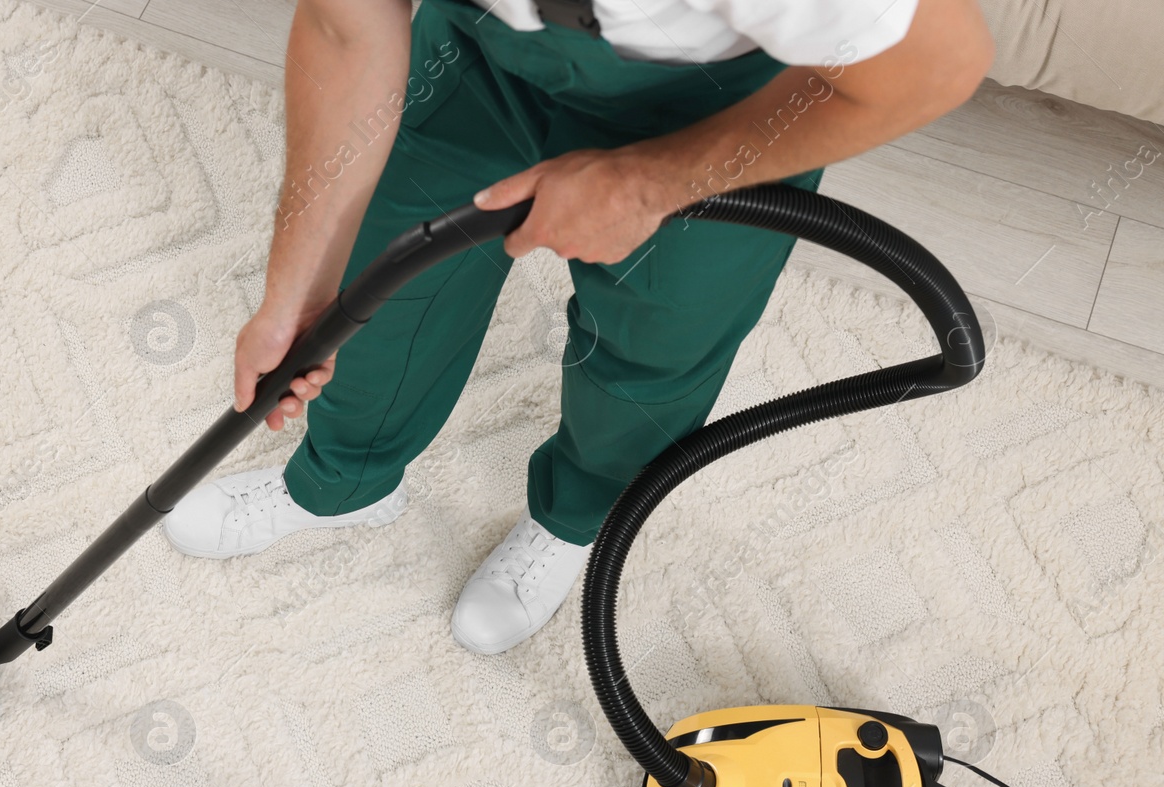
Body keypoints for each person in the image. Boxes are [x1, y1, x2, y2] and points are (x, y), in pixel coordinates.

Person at [162, 0, 993, 653]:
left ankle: (573, 519)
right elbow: (349, 29)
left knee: (655, 349)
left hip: (719, 106)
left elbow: (936, 67)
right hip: (484, 53)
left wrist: (651, 182)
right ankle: (341, 485)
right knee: (379, 292)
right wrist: (296, 289)